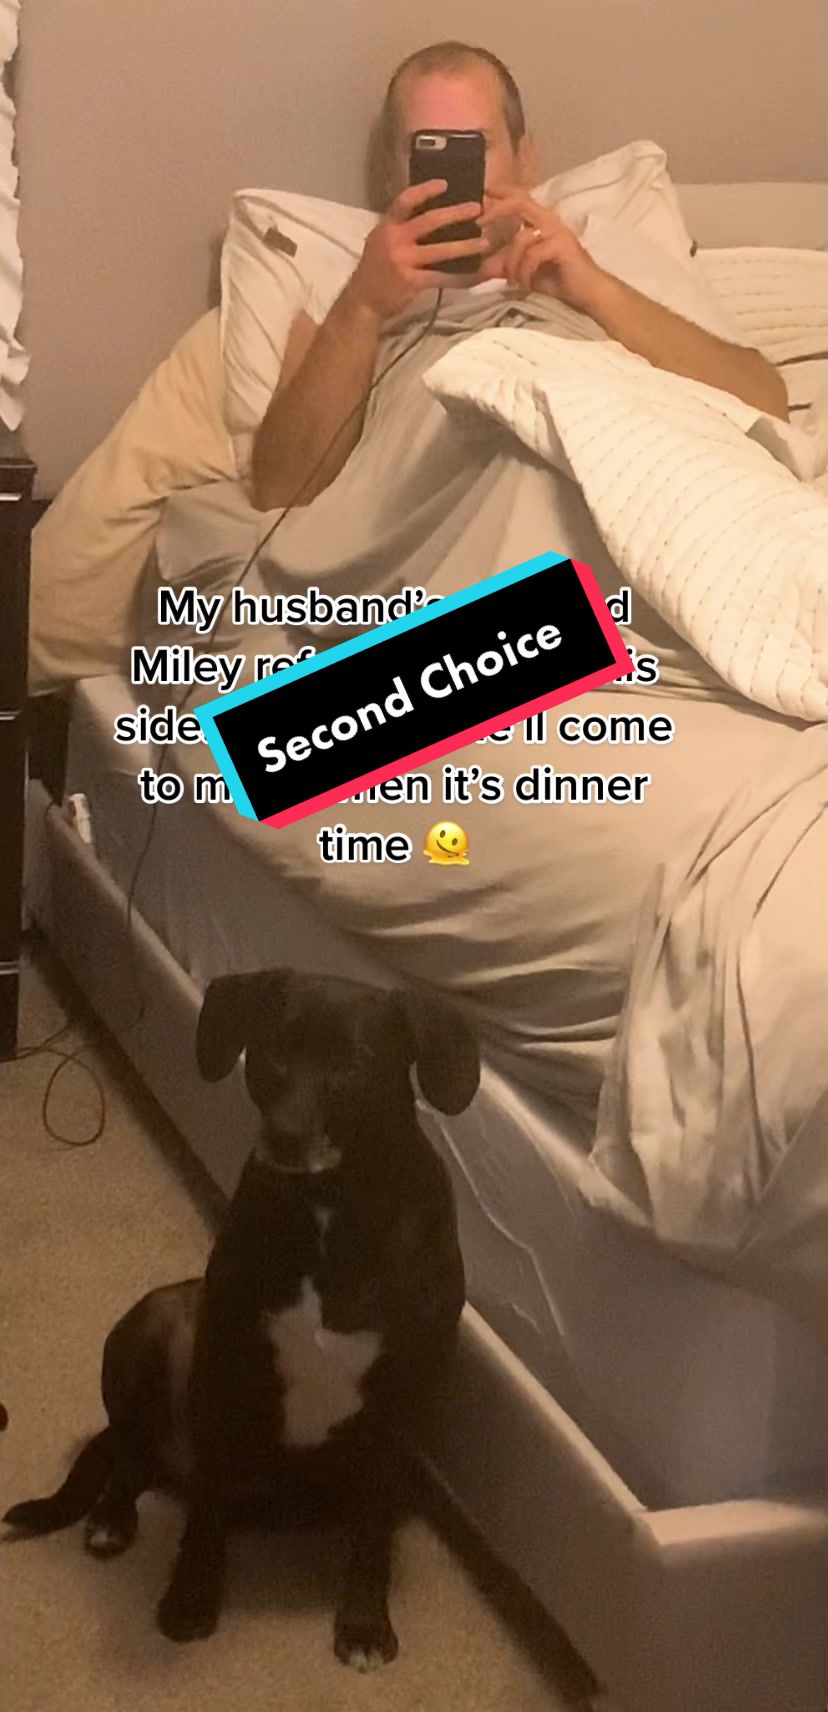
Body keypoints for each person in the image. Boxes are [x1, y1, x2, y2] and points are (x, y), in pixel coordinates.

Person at [249, 41, 788, 513]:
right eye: (429, 148)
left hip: (616, 488)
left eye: (475, 147)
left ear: (526, 159)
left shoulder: (602, 252)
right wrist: (364, 307)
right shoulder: (349, 290)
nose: (455, 178)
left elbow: (766, 403)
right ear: (394, 171)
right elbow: (280, 490)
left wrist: (591, 289)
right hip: (454, 515)